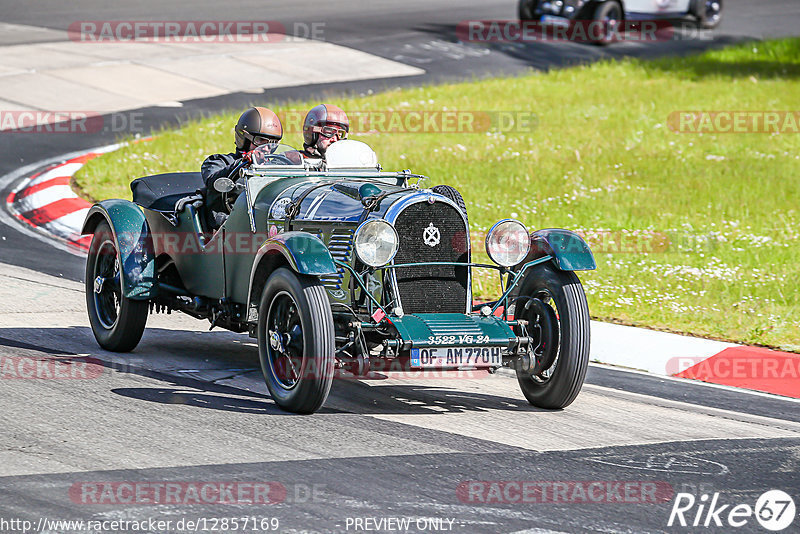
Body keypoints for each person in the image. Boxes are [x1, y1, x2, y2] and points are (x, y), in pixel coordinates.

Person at [201, 107, 283, 228]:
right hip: (227, 228)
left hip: (266, 225)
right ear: (244, 138)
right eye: (260, 140)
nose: (266, 148)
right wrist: (243, 163)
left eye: (272, 143)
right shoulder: (219, 161)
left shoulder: (276, 166)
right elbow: (212, 181)